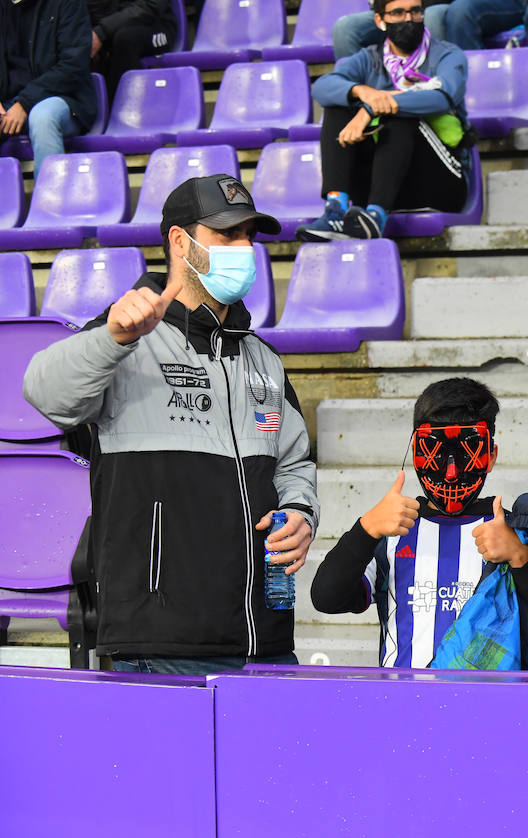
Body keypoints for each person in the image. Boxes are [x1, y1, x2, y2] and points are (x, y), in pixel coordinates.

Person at [22, 175, 319, 675]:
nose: (245, 248)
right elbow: (44, 393)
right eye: (228, 235)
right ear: (181, 242)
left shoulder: (264, 359)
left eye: (250, 234)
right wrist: (113, 339)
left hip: (267, 639)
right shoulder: (124, 338)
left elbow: (293, 461)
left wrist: (300, 512)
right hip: (160, 642)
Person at [310, 378, 528, 670]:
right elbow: (327, 598)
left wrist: (521, 559)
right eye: (436, 452)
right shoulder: (392, 534)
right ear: (417, 453)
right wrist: (366, 528)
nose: (451, 472)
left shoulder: (514, 532)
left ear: (491, 456)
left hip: (487, 707)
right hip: (401, 705)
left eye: (466, 452)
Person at [299, 0, 470, 242]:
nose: (408, 19)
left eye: (415, 11)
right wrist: (363, 92)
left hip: (440, 182)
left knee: (399, 115)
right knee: (338, 106)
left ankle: (376, 216)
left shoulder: (448, 55)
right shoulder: (369, 58)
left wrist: (371, 109)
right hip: (385, 184)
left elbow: (442, 96)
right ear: (380, 20)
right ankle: (336, 208)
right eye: (398, 13)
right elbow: (323, 88)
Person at [0, 0, 99, 176]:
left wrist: (24, 103)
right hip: (10, 104)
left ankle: (50, 200)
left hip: (63, 98)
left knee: (42, 117)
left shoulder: (66, 4)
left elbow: (73, 65)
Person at [87, 0, 177, 102]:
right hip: (112, 27)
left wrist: (102, 31)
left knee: (126, 39)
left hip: (157, 25)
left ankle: (121, 105)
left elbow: (151, 6)